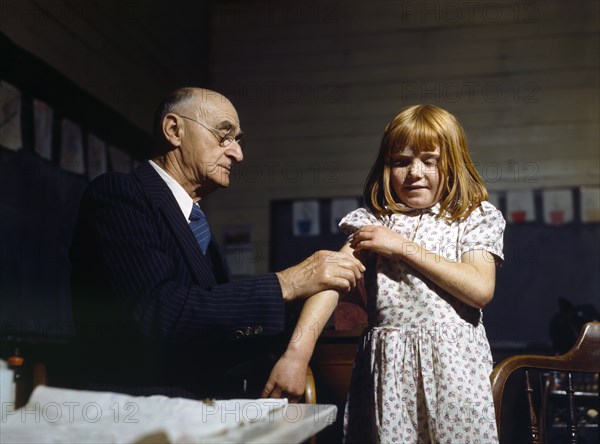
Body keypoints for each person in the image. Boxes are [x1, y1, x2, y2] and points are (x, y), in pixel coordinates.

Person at [69, 87, 364, 401]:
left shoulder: (195, 222)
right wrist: (288, 283)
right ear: (174, 130)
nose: (238, 154)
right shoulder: (119, 195)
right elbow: (157, 312)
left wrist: (303, 323)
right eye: (224, 136)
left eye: (238, 141)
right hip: (137, 413)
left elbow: (214, 324)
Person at [290, 104, 506, 442]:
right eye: (401, 161)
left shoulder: (473, 217)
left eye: (429, 160)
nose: (415, 172)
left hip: (454, 369)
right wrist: (296, 355)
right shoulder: (374, 222)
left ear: (453, 164)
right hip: (388, 370)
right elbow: (330, 283)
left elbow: (479, 288)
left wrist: (402, 247)